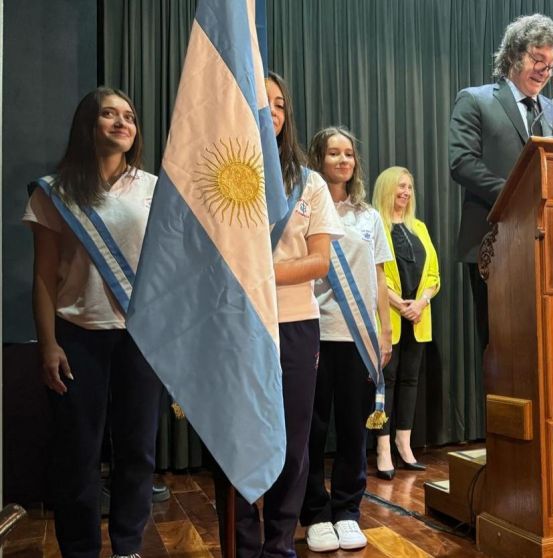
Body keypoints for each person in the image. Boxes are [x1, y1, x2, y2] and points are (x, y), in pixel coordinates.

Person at [25, 87, 161, 558]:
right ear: (89, 124)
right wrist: (48, 345)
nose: (122, 123)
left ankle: (127, 547)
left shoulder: (153, 189)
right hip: (77, 337)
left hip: (140, 338)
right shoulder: (56, 191)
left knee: (138, 451)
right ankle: (79, 550)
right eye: (109, 114)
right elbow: (43, 276)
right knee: (78, 456)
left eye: (129, 116)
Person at [212, 72, 341, 557]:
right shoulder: (223, 178)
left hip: (295, 325)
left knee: (293, 445)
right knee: (238, 441)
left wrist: (257, 270)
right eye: (262, 103)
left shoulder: (308, 183)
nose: (273, 112)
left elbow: (319, 262)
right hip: (234, 324)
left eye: (280, 104)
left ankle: (280, 544)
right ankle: (243, 545)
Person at [449, 13, 553, 351]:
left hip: (549, 248)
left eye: (551, 64)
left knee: (550, 346)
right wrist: (515, 197)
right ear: (515, 55)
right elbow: (461, 163)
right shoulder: (475, 100)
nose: (545, 71)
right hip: (493, 246)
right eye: (537, 59)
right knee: (501, 351)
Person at [302, 126, 393, 552]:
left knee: (354, 431)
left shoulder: (368, 215)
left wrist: (385, 331)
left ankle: (347, 511)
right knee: (313, 429)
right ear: (318, 159)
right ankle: (315, 514)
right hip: (315, 332)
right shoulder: (305, 209)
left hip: (359, 338)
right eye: (333, 153)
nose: (342, 160)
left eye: (348, 154)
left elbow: (377, 277)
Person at [370, 166, 441, 479]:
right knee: (387, 381)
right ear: (387, 189)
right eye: (400, 186)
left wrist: (422, 302)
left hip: (418, 319)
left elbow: (435, 276)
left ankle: (404, 444)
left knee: (411, 380)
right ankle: (383, 448)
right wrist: (399, 305)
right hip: (389, 319)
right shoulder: (375, 227)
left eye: (410, 187)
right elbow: (373, 275)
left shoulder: (420, 228)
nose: (406, 193)